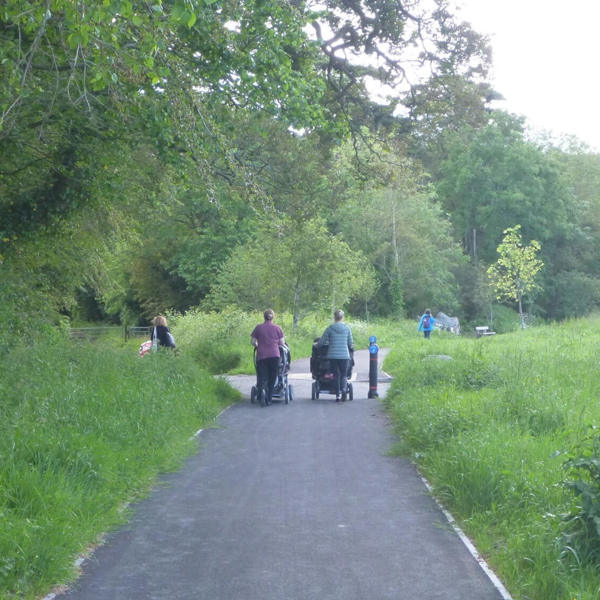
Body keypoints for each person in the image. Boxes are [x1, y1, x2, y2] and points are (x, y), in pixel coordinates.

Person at [317, 309, 354, 402]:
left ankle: (337, 395)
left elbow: (322, 342)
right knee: (344, 375)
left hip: (333, 356)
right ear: (343, 317)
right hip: (344, 356)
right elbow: (350, 343)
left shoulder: (330, 328)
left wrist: (317, 345)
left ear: (334, 317)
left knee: (335, 375)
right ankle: (344, 390)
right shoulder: (347, 328)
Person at [251, 309, 285, 406]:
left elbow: (253, 342)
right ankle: (269, 398)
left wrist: (258, 344)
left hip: (262, 355)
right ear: (272, 317)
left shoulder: (258, 328)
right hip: (274, 355)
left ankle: (261, 391)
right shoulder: (278, 328)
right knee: (272, 377)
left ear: (264, 316)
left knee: (262, 375)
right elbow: (282, 343)